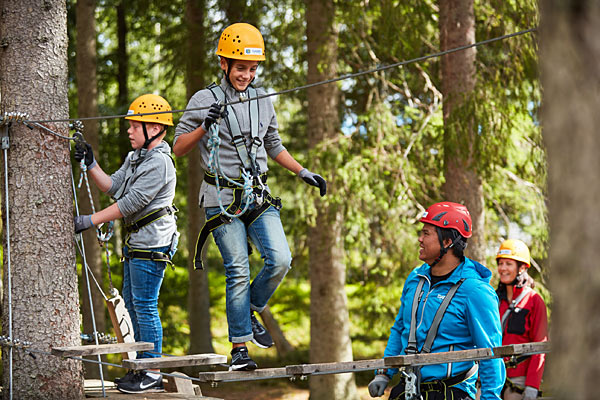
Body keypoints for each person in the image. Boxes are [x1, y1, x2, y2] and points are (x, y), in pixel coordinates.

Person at [173, 22, 327, 371]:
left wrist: (303, 171)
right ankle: (240, 349)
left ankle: (250, 308)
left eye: (253, 68)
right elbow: (178, 148)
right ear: (224, 64)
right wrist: (204, 125)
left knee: (281, 258)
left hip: (256, 194)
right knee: (238, 267)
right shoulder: (204, 99)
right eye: (241, 67)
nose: (247, 74)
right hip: (220, 198)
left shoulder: (262, 99)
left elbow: (273, 145)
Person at [74, 94, 179, 394]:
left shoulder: (160, 163)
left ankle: (152, 372)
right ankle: (140, 368)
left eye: (135, 126)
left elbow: (131, 203)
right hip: (138, 243)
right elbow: (114, 186)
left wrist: (89, 221)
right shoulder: (137, 158)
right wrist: (92, 164)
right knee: (133, 306)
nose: (129, 131)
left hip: (153, 243)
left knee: (145, 307)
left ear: (155, 129)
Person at [368, 202, 505, 400]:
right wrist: (384, 373)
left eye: (426, 233)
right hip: (407, 390)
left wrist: (490, 397)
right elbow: (400, 329)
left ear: (448, 241)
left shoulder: (475, 291)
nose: (419, 239)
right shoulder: (415, 279)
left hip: (450, 393)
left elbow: (490, 352)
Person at [495, 239, 547, 400]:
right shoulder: (495, 300)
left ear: (522, 268)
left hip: (519, 379)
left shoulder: (534, 301)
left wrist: (532, 386)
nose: (503, 268)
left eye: (508, 264)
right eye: (500, 263)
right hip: (493, 376)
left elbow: (540, 346)